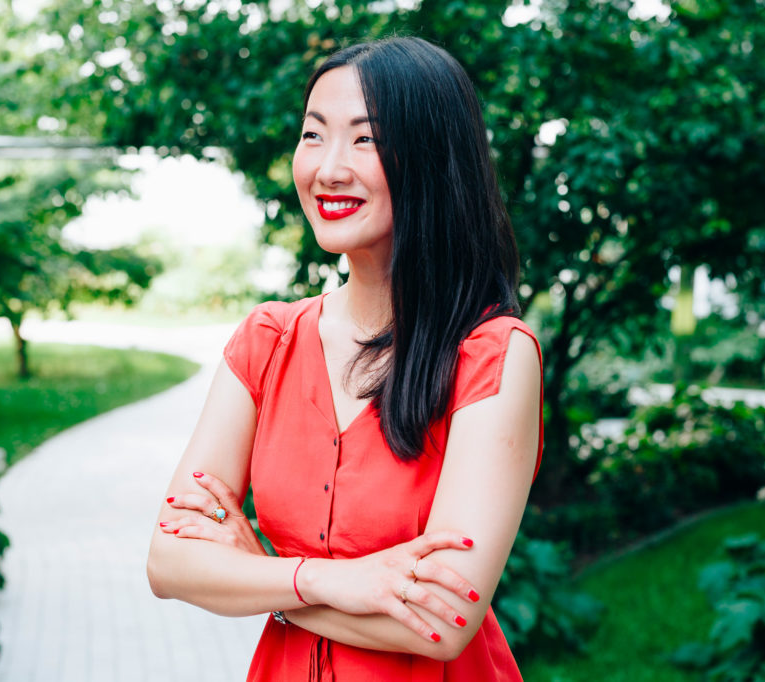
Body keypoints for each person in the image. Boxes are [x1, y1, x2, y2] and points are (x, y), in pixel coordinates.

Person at [147, 36, 543, 681]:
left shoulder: (492, 356)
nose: (329, 168)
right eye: (313, 134)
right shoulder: (268, 340)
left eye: (366, 139)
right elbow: (169, 563)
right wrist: (326, 580)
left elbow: (441, 621)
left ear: (433, 159)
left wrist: (261, 575)